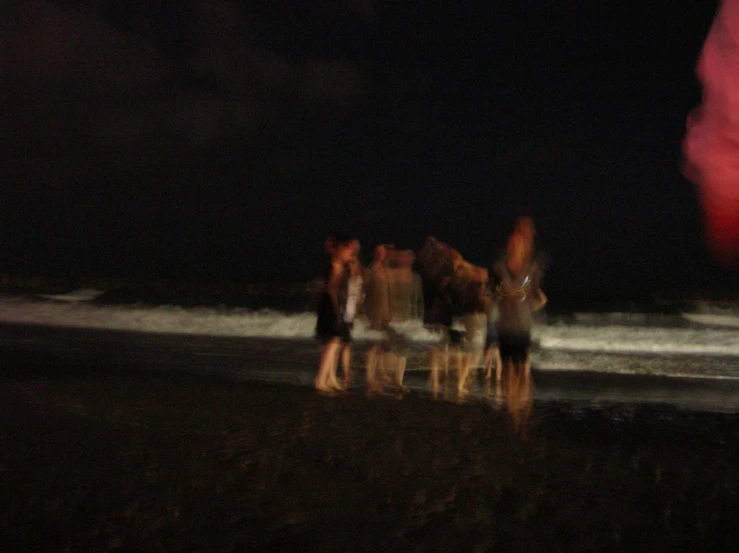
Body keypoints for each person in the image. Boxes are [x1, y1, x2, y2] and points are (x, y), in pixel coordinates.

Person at [493, 231, 547, 380]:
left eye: (518, 245)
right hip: (505, 327)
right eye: (512, 244)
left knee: (522, 369)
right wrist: (507, 294)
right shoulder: (499, 269)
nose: (514, 247)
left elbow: (538, 298)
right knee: (507, 368)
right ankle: (510, 400)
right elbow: (492, 294)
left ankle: (521, 399)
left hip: (522, 327)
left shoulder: (530, 271)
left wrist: (530, 306)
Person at [314, 233, 356, 392]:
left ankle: (328, 378)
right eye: (347, 249)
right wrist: (337, 311)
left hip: (333, 307)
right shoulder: (336, 265)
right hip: (331, 308)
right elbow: (332, 290)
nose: (350, 253)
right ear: (339, 250)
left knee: (334, 343)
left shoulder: (339, 265)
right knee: (332, 343)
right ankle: (320, 380)